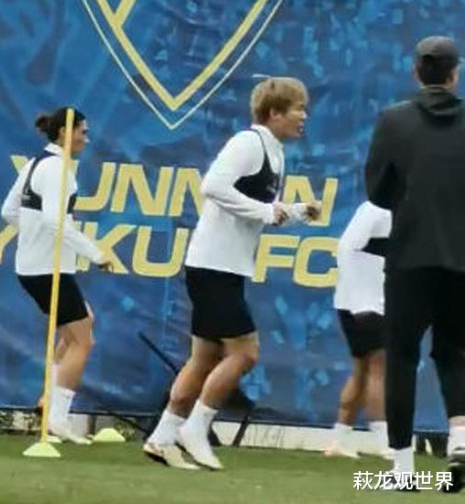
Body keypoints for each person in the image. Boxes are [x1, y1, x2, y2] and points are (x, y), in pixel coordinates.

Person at [143, 77, 321, 470]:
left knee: (204, 358)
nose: (304, 116)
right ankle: (195, 428)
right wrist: (265, 211)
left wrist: (295, 212)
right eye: (298, 109)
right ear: (273, 113)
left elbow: (258, 210)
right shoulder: (248, 143)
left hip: (224, 266)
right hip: (213, 266)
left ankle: (161, 438)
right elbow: (213, 186)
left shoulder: (275, 153)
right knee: (246, 353)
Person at [365, 35, 464, 493]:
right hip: (461, 257)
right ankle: (460, 438)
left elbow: (377, 191)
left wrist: (410, 202)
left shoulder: (393, 120)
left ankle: (403, 471)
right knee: (455, 352)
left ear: (416, 72)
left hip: (409, 255)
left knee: (402, 357)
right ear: (454, 74)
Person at [1, 107, 112, 444]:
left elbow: (8, 211)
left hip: (35, 267)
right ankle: (58, 419)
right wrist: (95, 253)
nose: (86, 139)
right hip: (47, 269)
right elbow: (53, 221)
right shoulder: (58, 170)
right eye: (82, 132)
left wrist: (32, 235)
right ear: (65, 132)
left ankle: (47, 403)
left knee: (82, 324)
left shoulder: (36, 164)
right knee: (82, 340)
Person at [325, 201, 391, 460]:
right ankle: (385, 442)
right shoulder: (375, 209)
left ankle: (339, 440)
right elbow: (344, 247)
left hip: (369, 303)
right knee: (378, 368)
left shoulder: (402, 210)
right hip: (363, 306)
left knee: (362, 371)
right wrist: (359, 301)